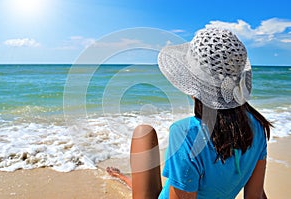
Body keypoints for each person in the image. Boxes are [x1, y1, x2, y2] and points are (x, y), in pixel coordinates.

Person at [106, 27, 272, 199]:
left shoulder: (186, 133)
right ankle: (122, 177)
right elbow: (256, 195)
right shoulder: (258, 128)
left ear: (193, 86)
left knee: (143, 133)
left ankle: (122, 178)